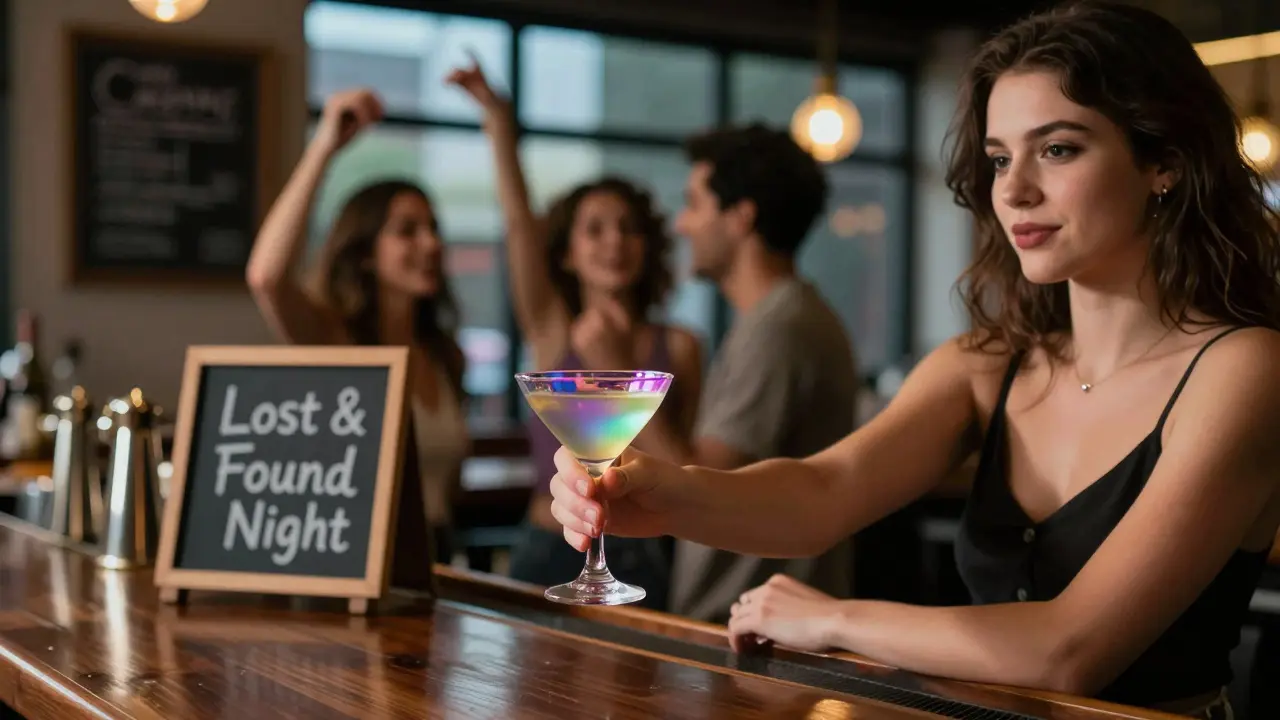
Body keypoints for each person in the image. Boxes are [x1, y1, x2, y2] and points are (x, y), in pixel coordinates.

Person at [544, 2, 1280, 717]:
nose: (1014, 191)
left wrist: (834, 620)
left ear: (1165, 163)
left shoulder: (1243, 371)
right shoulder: (985, 366)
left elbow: (1069, 650)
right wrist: (662, 495)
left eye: (1057, 149)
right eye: (999, 158)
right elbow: (822, 493)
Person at [445, 62, 704, 610]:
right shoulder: (551, 330)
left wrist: (621, 372)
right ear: (565, 251)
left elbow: (688, 475)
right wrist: (497, 122)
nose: (615, 241)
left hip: (644, 557)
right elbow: (519, 224)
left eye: (629, 227)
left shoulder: (679, 346)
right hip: (549, 548)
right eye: (595, 229)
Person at [623, 123, 861, 623]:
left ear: (740, 217)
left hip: (756, 630)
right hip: (752, 621)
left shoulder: (780, 329)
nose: (681, 225)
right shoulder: (775, 318)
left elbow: (699, 479)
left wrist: (621, 385)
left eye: (694, 204)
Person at [246, 88, 469, 565]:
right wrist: (324, 146)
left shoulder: (444, 353)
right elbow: (266, 276)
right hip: (355, 556)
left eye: (433, 228)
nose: (430, 244)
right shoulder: (335, 342)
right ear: (365, 252)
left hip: (438, 557)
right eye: (407, 230)